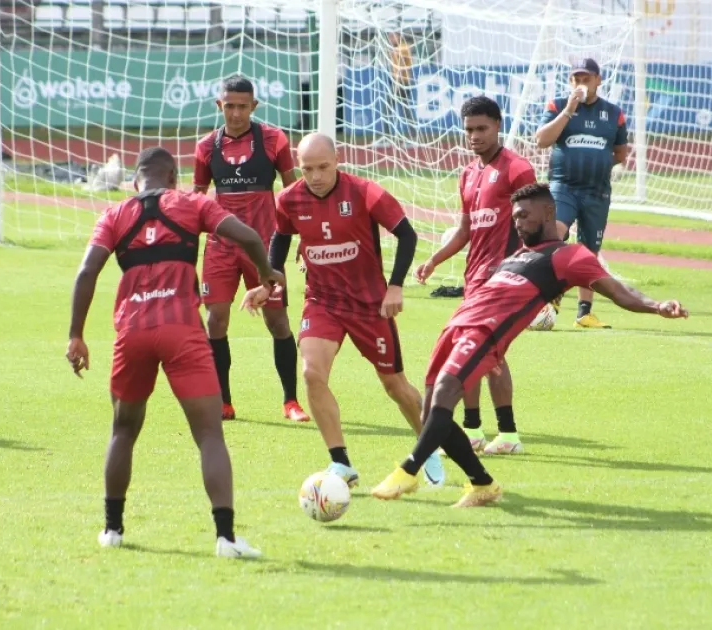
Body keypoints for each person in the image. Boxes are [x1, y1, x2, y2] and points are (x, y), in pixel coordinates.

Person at [371, 183, 688, 507]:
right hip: (454, 328)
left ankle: (408, 471)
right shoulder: (520, 254)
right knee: (430, 413)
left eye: (524, 215)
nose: (518, 223)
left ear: (549, 213)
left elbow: (621, 293)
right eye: (514, 217)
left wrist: (657, 305)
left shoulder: (570, 255)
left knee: (446, 391)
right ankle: (482, 484)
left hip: (484, 334)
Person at [66, 147, 283, 557]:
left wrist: (76, 335)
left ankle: (112, 530)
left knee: (123, 431)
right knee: (208, 434)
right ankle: (225, 538)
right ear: (173, 179)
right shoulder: (193, 203)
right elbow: (251, 236)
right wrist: (267, 274)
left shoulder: (114, 215)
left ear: (134, 182)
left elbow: (86, 272)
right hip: (182, 330)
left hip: (132, 333)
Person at [240, 133, 445, 488]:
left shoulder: (366, 193)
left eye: (323, 167)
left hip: (369, 306)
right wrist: (268, 284)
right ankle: (341, 462)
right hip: (323, 302)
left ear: (337, 161)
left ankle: (427, 447)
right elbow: (281, 239)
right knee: (311, 373)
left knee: (395, 387)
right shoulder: (288, 199)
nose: (316, 176)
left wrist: (395, 286)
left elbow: (407, 235)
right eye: (307, 169)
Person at [414, 95, 536, 456]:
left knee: (477, 354)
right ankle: (477, 430)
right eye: (469, 129)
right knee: (478, 354)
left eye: (482, 128)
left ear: (498, 126)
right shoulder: (469, 174)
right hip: (475, 280)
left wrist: (538, 273)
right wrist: (435, 259)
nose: (475, 136)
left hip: (502, 279)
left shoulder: (517, 169)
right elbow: (465, 227)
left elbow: (539, 221)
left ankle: (505, 433)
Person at [193, 74, 308, 422]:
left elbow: (293, 193)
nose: (236, 113)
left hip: (266, 248)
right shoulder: (205, 147)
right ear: (219, 105)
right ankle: (223, 402)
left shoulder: (274, 140)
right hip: (220, 247)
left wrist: (305, 236)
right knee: (216, 321)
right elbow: (196, 201)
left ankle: (291, 401)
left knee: (277, 321)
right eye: (229, 106)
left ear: (254, 106)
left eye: (243, 106)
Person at [535, 58, 632, 329]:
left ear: (598, 80)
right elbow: (541, 140)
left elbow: (621, 153)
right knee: (555, 233)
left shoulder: (614, 113)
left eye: (586, 78)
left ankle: (584, 313)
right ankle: (551, 298)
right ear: (570, 82)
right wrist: (568, 109)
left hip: (597, 191)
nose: (581, 84)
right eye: (576, 79)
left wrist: (597, 164)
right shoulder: (557, 105)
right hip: (563, 186)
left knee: (589, 251)